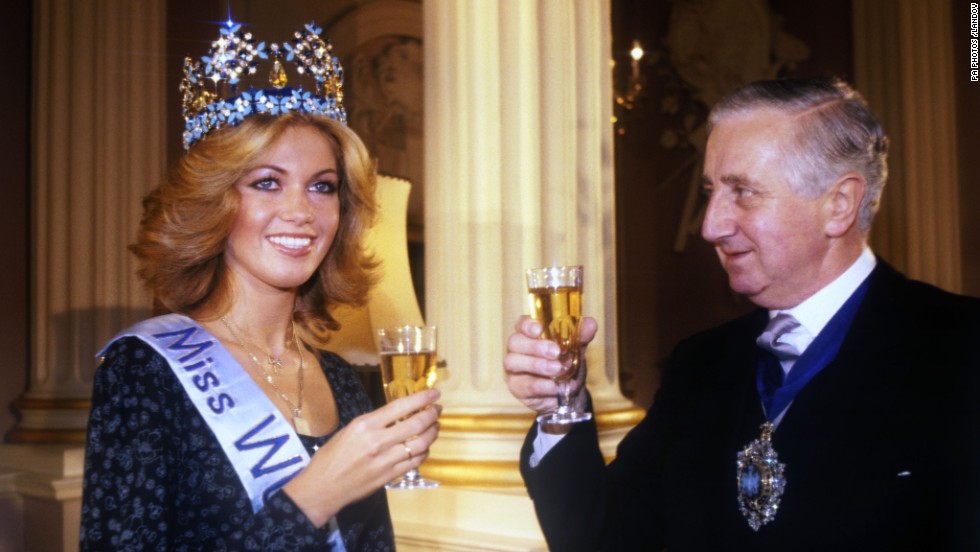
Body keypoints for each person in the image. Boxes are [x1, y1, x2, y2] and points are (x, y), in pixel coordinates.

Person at [504, 77, 980, 551]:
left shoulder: (962, 351)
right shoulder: (699, 365)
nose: (711, 225)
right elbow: (605, 540)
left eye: (744, 192)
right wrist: (560, 406)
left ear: (838, 205)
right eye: (712, 191)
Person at [80, 22, 440, 551]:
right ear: (216, 201)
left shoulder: (340, 381)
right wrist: (308, 500)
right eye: (266, 182)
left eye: (322, 187)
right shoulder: (146, 374)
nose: (300, 212)